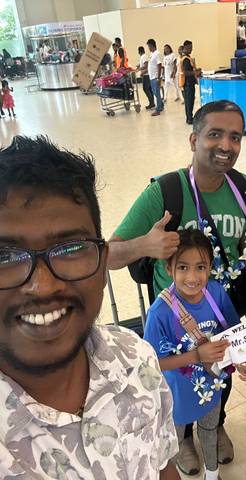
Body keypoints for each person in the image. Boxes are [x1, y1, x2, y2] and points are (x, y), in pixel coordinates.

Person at [109, 100, 246, 474]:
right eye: (214, 134)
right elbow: (105, 254)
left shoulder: (241, 186)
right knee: (179, 380)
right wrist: (143, 246)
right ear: (193, 139)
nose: (226, 145)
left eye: (235, 137)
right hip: (177, 313)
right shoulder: (165, 192)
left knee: (220, 367)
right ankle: (182, 438)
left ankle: (213, 426)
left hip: (221, 304)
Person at [0, 135, 179, 479]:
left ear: (102, 264)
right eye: (5, 256)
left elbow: (162, 464)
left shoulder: (135, 359)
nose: (43, 286)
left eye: (69, 249)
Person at [144, 228, 246, 480]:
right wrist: (197, 356)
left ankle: (212, 474)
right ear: (168, 268)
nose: (193, 277)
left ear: (210, 267)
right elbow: (152, 364)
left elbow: (233, 333)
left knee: (209, 429)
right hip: (176, 397)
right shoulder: (159, 313)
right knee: (172, 440)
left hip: (212, 387)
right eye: (183, 267)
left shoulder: (215, 292)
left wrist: (245, 360)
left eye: (200, 267)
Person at [180, 40, 201, 125]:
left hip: (189, 83)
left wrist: (196, 70)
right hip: (188, 83)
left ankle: (189, 117)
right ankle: (189, 119)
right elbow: (186, 72)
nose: (191, 49)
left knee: (190, 101)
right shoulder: (185, 59)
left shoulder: (187, 57)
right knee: (189, 101)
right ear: (186, 47)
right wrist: (195, 73)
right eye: (190, 48)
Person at [147, 38, 164, 117]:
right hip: (152, 77)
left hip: (155, 77)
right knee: (155, 93)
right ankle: (161, 105)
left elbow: (159, 65)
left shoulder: (157, 54)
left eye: (149, 46)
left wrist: (158, 77)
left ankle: (158, 110)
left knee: (156, 93)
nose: (148, 48)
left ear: (152, 45)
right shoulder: (152, 54)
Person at [138, 45, 155, 110]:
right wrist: (139, 65)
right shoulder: (143, 56)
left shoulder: (143, 56)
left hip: (146, 75)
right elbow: (144, 64)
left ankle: (151, 103)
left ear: (139, 52)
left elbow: (146, 65)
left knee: (146, 89)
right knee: (149, 89)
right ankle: (152, 103)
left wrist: (140, 70)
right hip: (147, 75)